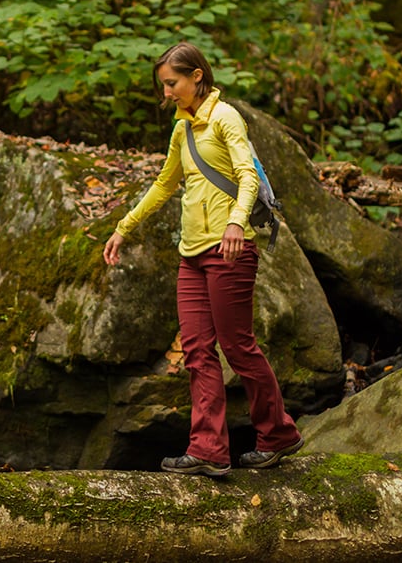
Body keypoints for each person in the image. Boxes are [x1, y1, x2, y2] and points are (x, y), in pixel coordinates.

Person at [102, 42, 303, 477]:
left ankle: (278, 433)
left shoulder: (226, 118)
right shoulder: (182, 131)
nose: (168, 92)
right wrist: (124, 227)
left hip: (231, 248)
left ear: (197, 76)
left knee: (238, 346)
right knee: (196, 350)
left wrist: (235, 223)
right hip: (191, 253)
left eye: (172, 83)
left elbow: (247, 174)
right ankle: (208, 448)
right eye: (164, 85)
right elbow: (163, 185)